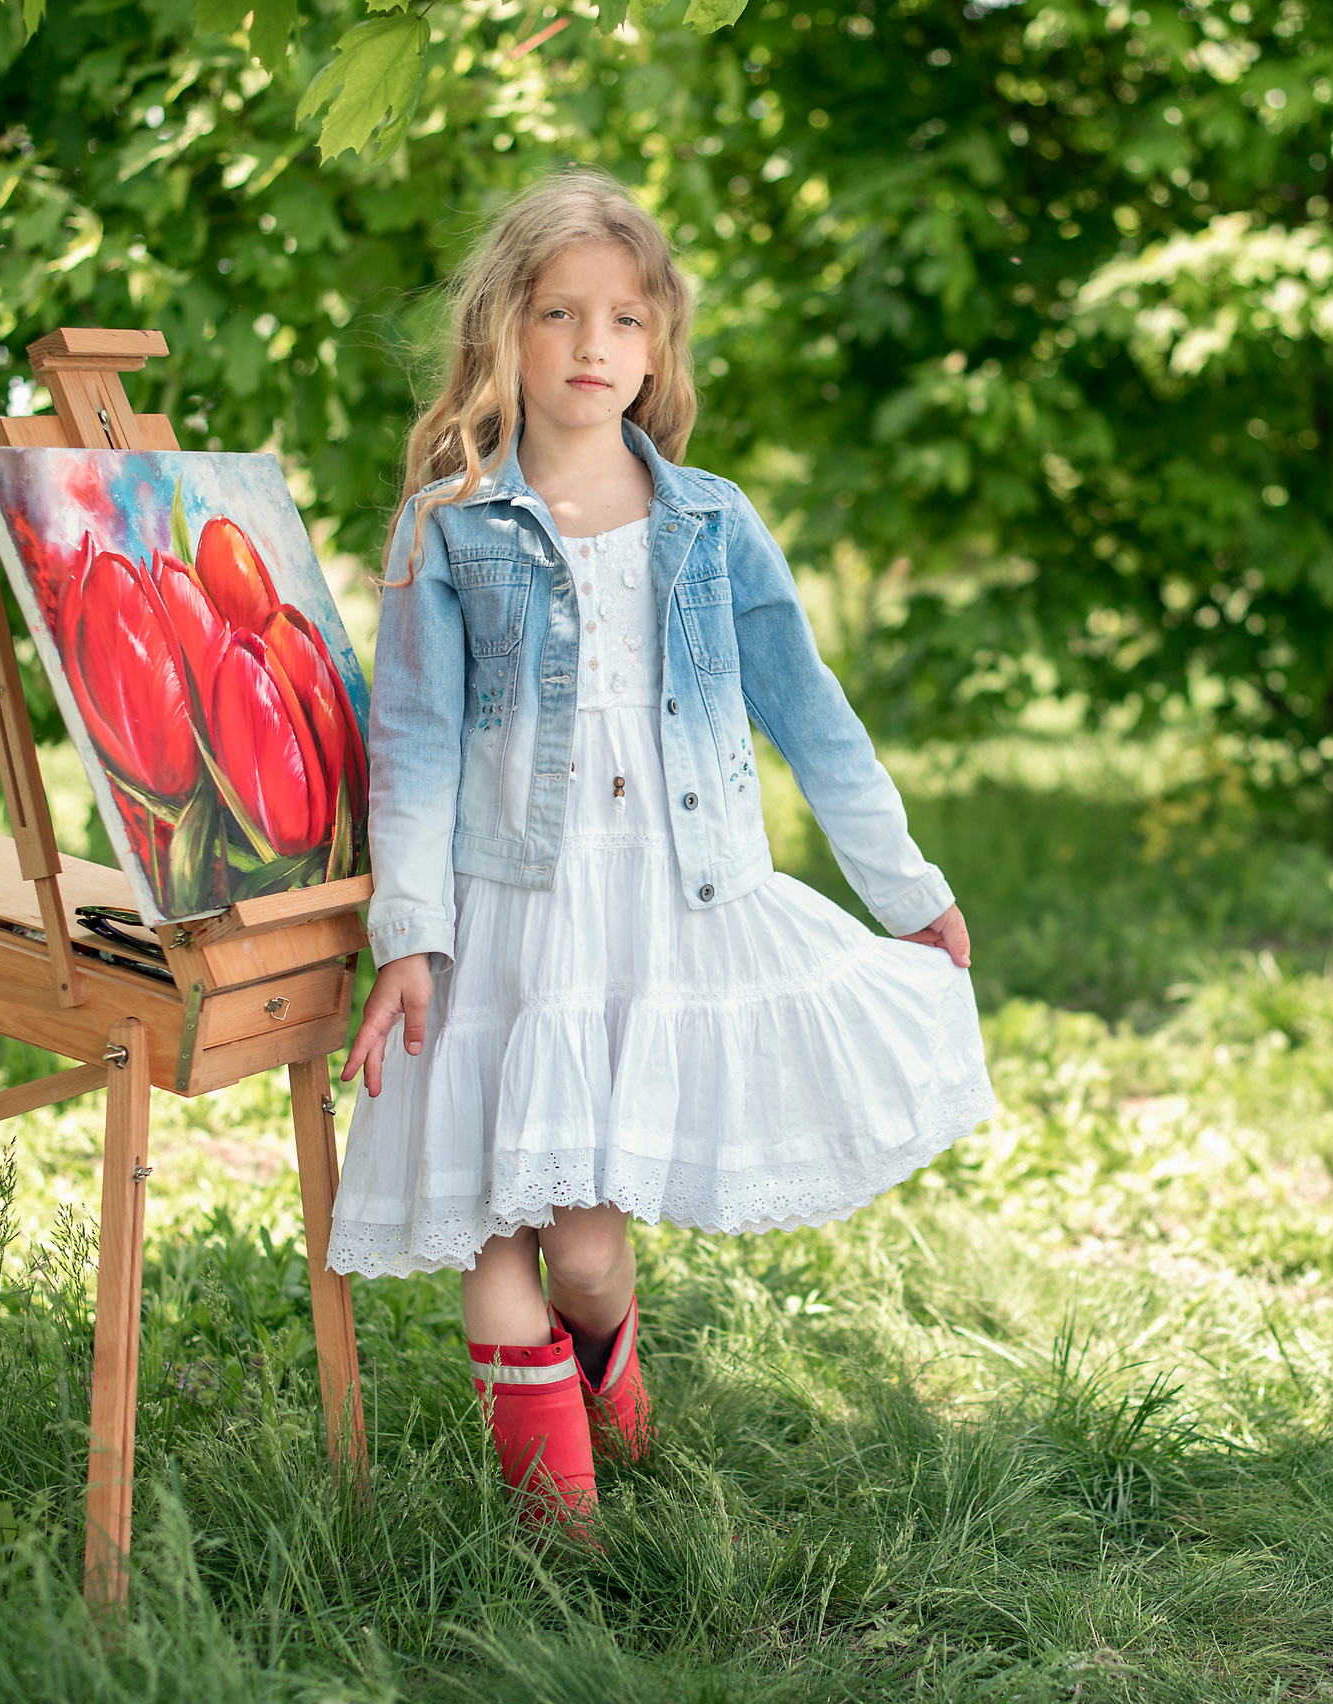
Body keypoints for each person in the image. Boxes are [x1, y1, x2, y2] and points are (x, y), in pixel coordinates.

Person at [328, 167, 998, 1533]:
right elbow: (416, 749)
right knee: (489, 1232)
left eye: (624, 320)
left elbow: (818, 723)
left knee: (583, 1253)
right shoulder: (450, 527)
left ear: (658, 343)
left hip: (659, 909)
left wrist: (908, 891)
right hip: (501, 916)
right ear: (501, 331)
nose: (591, 349)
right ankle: (562, 1540)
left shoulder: (712, 522)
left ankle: (615, 1383)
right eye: (559, 314)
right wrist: (408, 939)